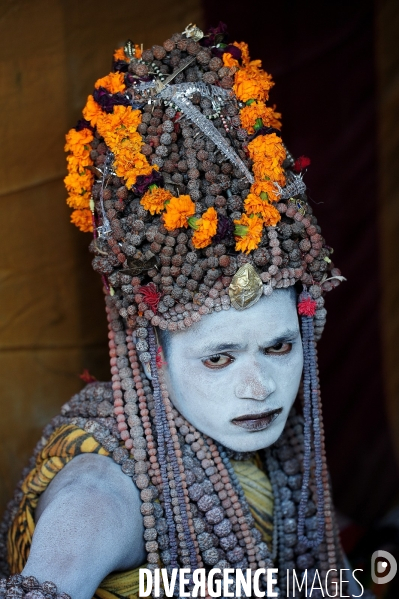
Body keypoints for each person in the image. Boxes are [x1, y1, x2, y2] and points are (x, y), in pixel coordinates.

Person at [0, 22, 370, 599]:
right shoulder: (99, 497)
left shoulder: (280, 451)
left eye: (278, 346)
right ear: (155, 359)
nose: (259, 387)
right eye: (219, 358)